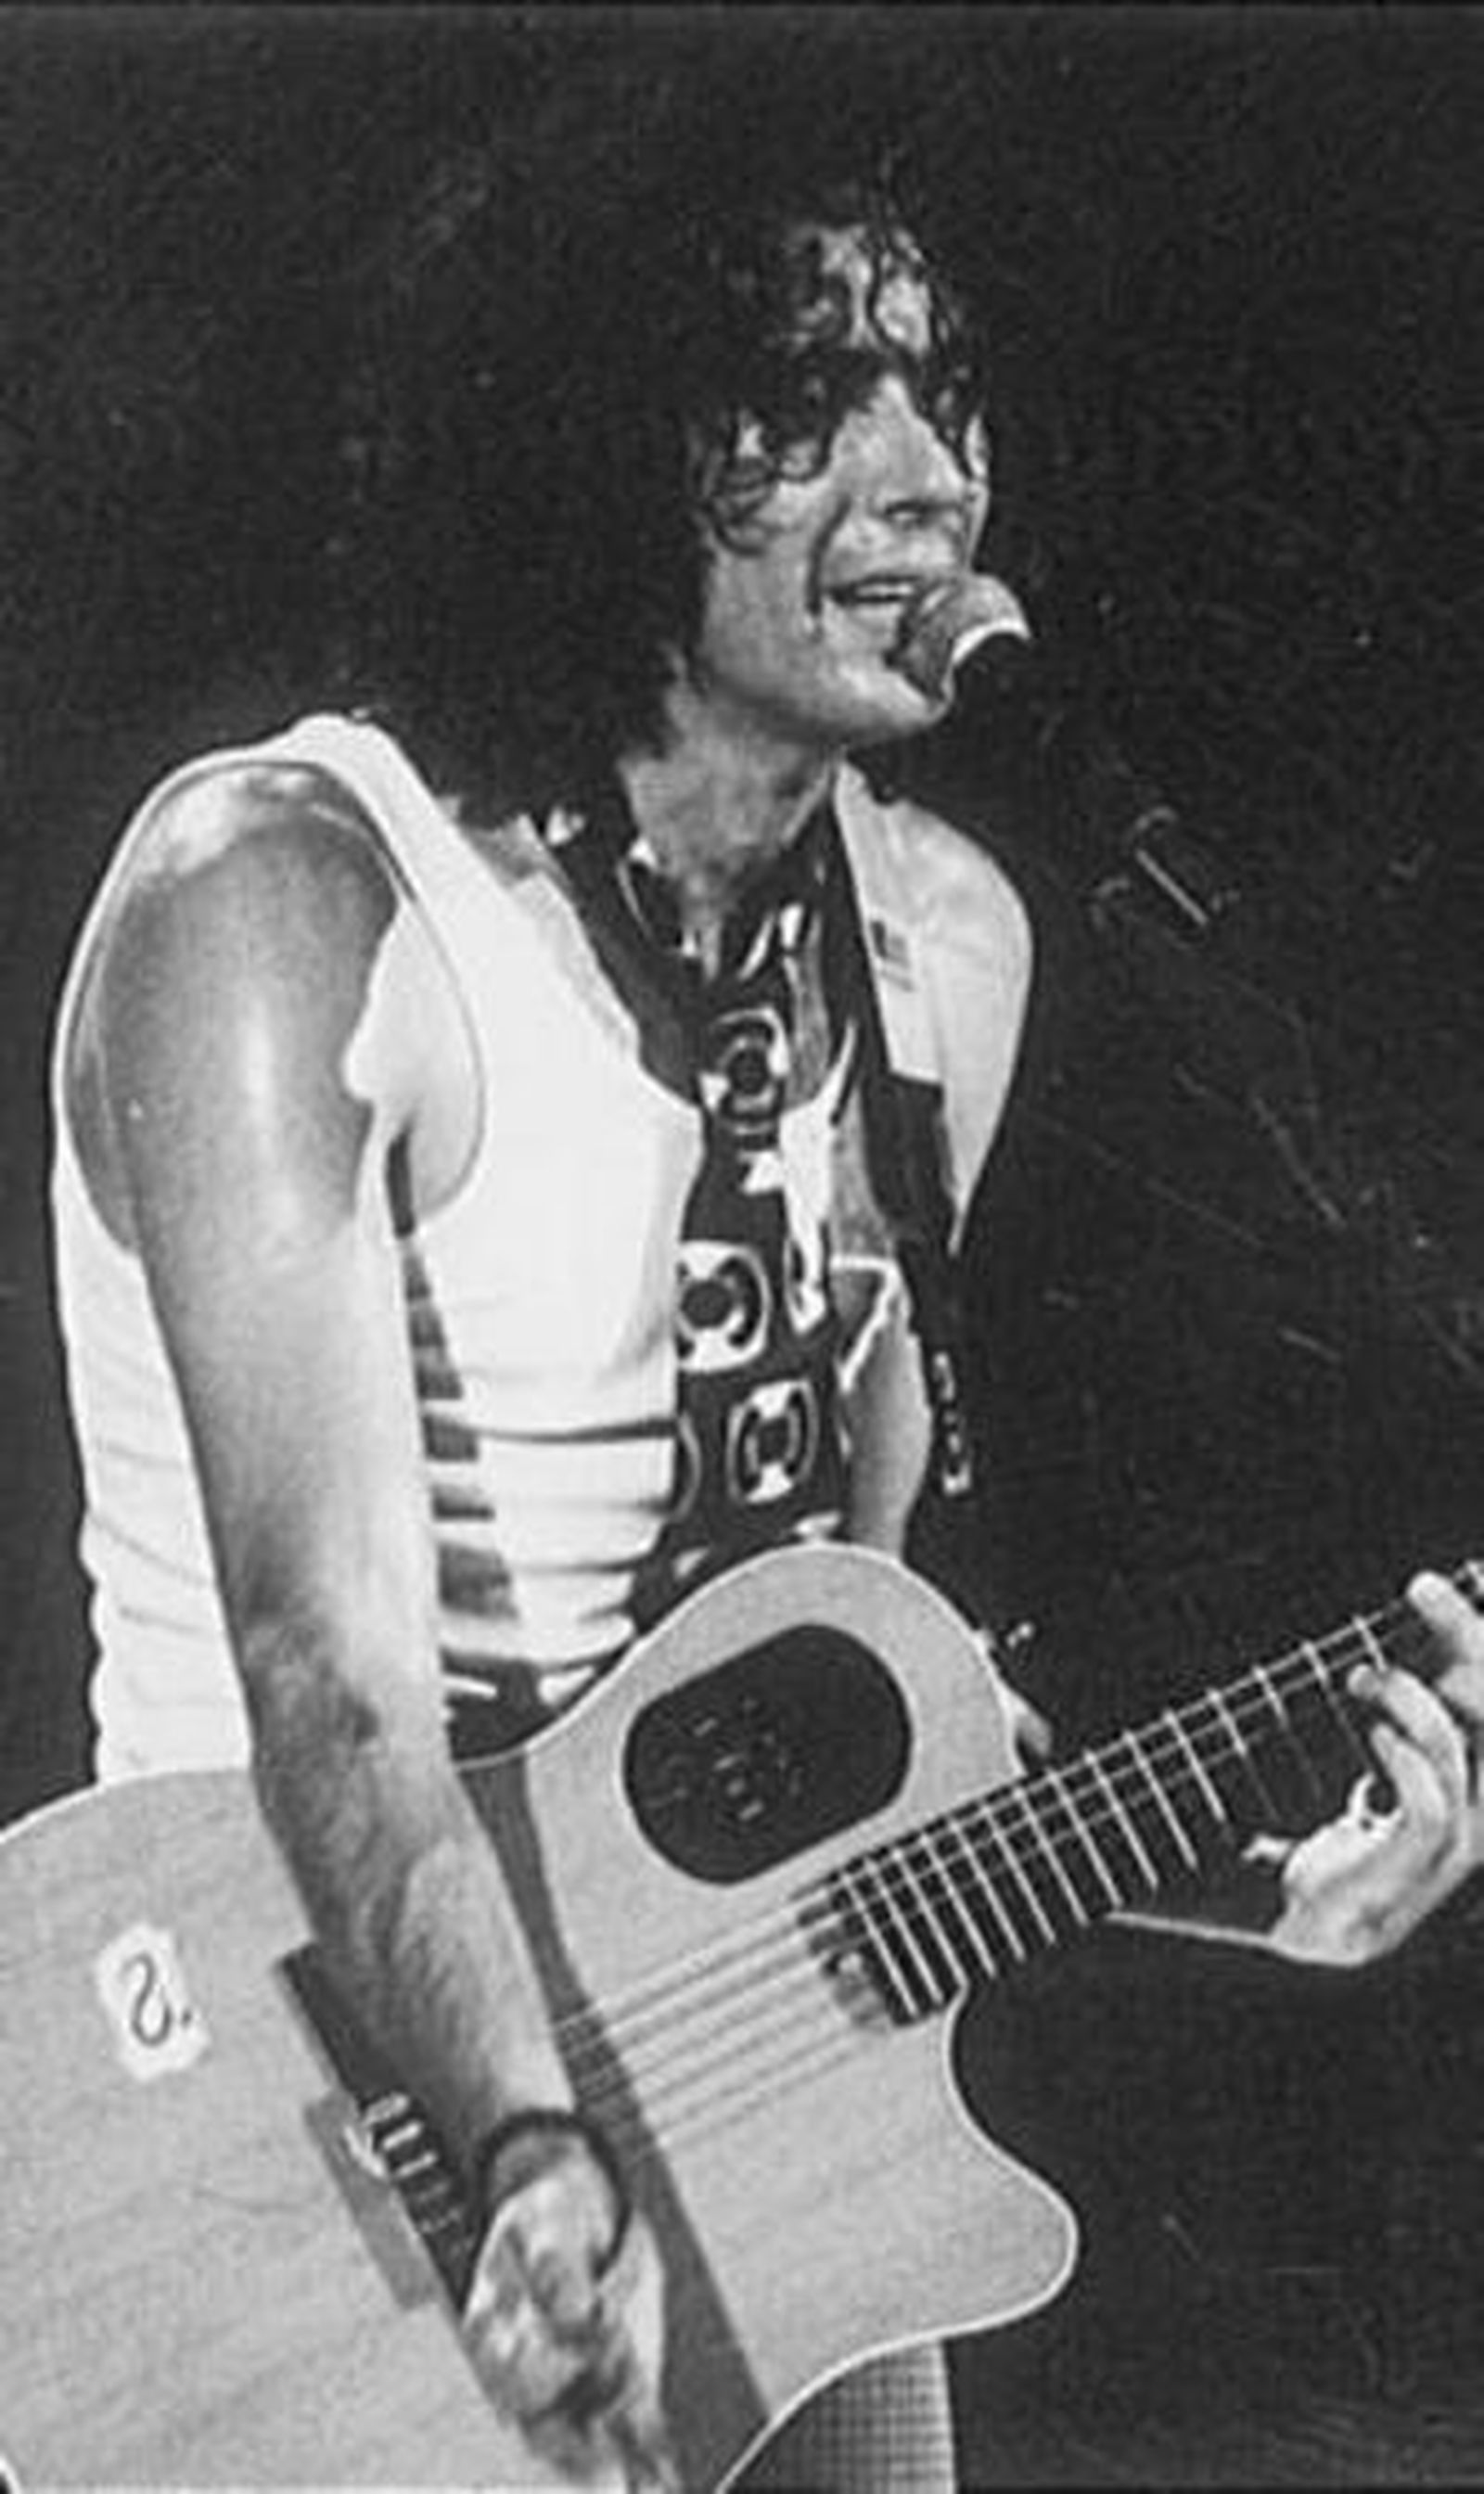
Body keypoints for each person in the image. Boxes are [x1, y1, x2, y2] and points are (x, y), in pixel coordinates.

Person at [47, 65, 1484, 2492]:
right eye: (814, 400)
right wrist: (526, 2151)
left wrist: (1259, 1892)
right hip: (270, 2136)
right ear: (602, 454)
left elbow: (834, 1718)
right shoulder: (290, 898)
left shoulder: (939, 958)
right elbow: (327, 1669)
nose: (928, 481)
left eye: (949, 393)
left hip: (726, 2121)